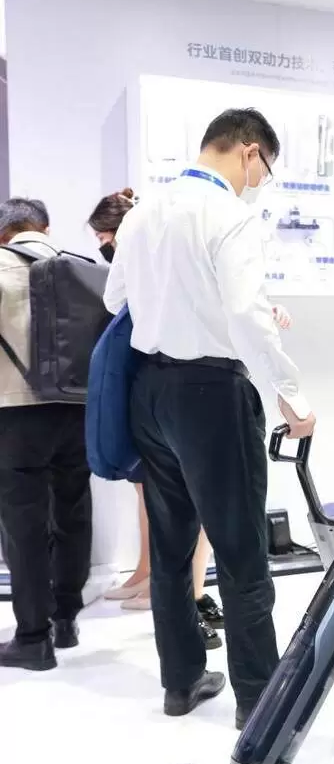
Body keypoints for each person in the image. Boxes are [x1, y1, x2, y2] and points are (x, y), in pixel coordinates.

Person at [103, 108, 315, 727]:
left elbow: (115, 300)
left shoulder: (142, 212)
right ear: (249, 151)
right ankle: (259, 700)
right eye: (264, 169)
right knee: (242, 549)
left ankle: (182, 681)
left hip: (149, 391)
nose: (259, 181)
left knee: (170, 547)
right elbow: (244, 315)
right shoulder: (231, 214)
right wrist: (291, 394)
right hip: (212, 395)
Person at [88, 189, 224, 649]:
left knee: (186, 502)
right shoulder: (148, 265)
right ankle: (151, 577)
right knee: (155, 496)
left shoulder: (160, 257)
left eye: (106, 237)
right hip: (159, 390)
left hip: (184, 387)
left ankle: (195, 595)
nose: (104, 246)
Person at [0, 199, 92, 670]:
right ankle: (67, 619)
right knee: (73, 512)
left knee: (24, 525)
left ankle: (34, 638)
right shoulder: (81, 269)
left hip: (16, 412)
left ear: (4, 234)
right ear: (45, 228)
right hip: (77, 409)